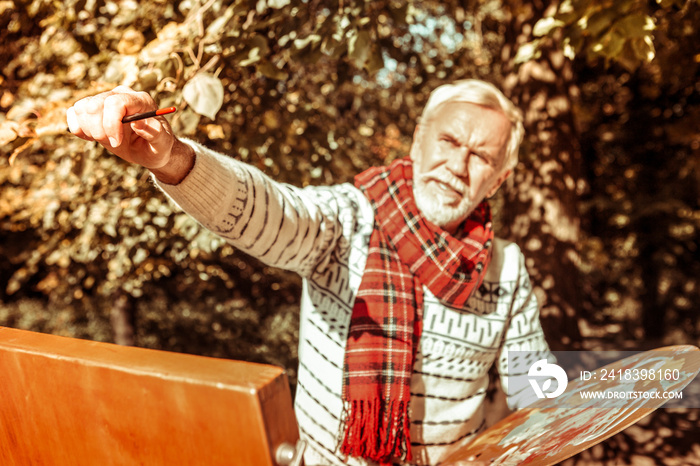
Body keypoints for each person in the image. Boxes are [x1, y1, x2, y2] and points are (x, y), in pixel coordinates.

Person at [67, 80, 553, 466]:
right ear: (419, 139)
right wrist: (174, 159)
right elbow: (270, 212)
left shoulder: (506, 266)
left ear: (500, 177)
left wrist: (586, 398)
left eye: (482, 156)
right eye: (448, 140)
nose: (457, 165)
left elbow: (534, 386)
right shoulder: (349, 218)